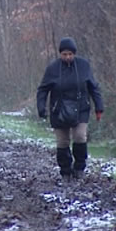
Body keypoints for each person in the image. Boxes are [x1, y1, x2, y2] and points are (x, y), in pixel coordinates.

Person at [37, 37, 104, 181]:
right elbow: (42, 89)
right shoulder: (53, 68)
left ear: (74, 54)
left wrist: (99, 107)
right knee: (62, 141)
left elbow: (93, 87)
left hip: (81, 108)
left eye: (70, 54)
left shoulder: (84, 66)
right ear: (60, 54)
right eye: (64, 54)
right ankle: (65, 170)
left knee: (80, 136)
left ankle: (79, 167)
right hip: (59, 110)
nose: (67, 57)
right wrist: (41, 108)